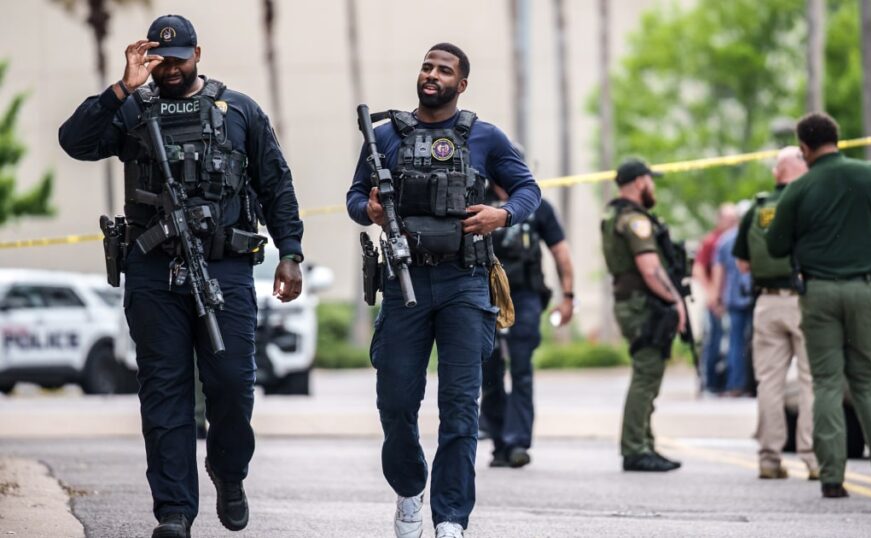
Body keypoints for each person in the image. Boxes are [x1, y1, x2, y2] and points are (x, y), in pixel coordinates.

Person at [58, 14, 304, 538]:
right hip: (153, 269)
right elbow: (75, 141)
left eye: (178, 58)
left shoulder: (238, 110)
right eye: (160, 60)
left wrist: (291, 252)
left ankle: (229, 472)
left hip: (225, 268)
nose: (169, 68)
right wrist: (122, 87)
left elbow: (276, 183)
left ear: (198, 54)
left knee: (232, 386)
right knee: (164, 394)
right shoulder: (132, 109)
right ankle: (174, 512)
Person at [346, 43, 540, 538]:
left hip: (465, 283)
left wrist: (502, 214)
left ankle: (451, 518)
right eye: (427, 67)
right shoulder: (384, 136)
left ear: (461, 84)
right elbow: (354, 196)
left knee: (459, 409)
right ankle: (410, 488)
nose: (432, 75)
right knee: (395, 402)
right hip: (404, 282)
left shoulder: (486, 137)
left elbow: (528, 191)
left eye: (444, 70)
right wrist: (367, 210)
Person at [765, 113, 871, 499]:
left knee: (827, 383)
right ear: (838, 138)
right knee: (868, 382)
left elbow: (775, 245)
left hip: (819, 293)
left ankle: (832, 478)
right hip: (866, 290)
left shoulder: (799, 188)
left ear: (804, 148)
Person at [733, 146, 819, 479]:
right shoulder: (810, 203)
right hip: (804, 299)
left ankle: (769, 458)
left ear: (776, 173)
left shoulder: (757, 209)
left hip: (766, 302)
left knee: (769, 382)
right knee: (811, 380)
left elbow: (742, 263)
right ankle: (813, 458)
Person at [601, 158, 687, 473]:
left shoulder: (615, 215)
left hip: (633, 302)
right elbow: (650, 269)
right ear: (640, 182)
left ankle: (645, 444)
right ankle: (635, 448)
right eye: (651, 180)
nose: (653, 186)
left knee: (648, 373)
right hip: (641, 304)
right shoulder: (635, 220)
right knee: (646, 373)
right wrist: (676, 302)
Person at [481, 184, 574, 469]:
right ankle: (500, 444)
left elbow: (560, 251)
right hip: (485, 295)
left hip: (525, 296)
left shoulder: (536, 206)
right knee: (489, 369)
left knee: (521, 369)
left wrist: (568, 296)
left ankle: (517, 442)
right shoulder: (477, 199)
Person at [693, 204, 738, 393]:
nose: (732, 223)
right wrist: (712, 294)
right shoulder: (712, 241)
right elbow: (698, 269)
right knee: (713, 340)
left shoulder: (734, 239)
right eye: (728, 219)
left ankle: (723, 382)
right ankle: (709, 382)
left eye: (734, 219)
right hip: (716, 299)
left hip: (731, 297)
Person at [709, 217, 753, 397]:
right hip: (753, 296)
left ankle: (736, 384)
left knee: (735, 342)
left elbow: (718, 271)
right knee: (756, 342)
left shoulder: (725, 239)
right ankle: (752, 384)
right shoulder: (755, 236)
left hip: (733, 298)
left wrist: (716, 296)